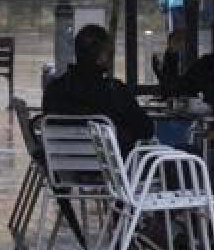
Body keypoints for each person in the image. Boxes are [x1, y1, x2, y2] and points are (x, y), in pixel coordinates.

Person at [43, 24, 153, 156]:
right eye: (109, 53)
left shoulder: (54, 91)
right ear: (101, 57)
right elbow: (146, 130)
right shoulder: (115, 92)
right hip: (112, 169)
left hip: (66, 167)